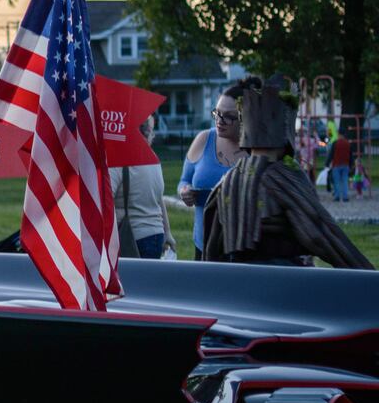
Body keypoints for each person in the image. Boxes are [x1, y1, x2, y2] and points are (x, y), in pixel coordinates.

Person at [203, 78, 371, 269]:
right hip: (283, 282)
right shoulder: (282, 175)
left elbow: (211, 248)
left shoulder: (228, 180)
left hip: (238, 282)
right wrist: (367, 276)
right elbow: (320, 233)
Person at [177, 83, 244, 259]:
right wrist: (185, 192)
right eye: (217, 113)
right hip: (203, 245)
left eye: (229, 117)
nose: (220, 120)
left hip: (241, 249)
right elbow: (184, 180)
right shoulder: (204, 139)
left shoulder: (256, 149)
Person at [109, 115, 174, 259]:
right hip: (156, 234)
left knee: (131, 281)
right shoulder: (154, 160)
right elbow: (159, 200)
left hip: (132, 238)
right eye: (152, 132)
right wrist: (167, 232)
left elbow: (106, 200)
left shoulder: (119, 159)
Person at [327, 128, 353, 202]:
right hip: (345, 164)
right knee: (345, 180)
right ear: (344, 135)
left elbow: (331, 155)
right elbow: (350, 155)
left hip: (336, 164)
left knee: (337, 181)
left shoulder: (335, 143)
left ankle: (337, 196)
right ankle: (345, 197)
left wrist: (327, 163)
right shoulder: (348, 143)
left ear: (338, 134)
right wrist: (351, 164)